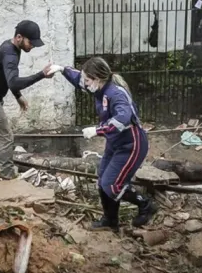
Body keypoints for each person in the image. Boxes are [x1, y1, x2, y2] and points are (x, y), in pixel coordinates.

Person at [49, 57, 157, 230]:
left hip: (131, 145)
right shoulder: (97, 87)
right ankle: (110, 221)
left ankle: (145, 205)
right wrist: (61, 69)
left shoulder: (115, 93)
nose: (84, 83)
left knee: (112, 184)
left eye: (87, 79)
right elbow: (78, 79)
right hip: (115, 143)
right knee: (102, 180)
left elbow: (123, 117)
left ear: (98, 79)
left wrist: (97, 130)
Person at [0, 20, 54, 180]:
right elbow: (13, 81)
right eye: (31, 42)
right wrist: (41, 75)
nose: (33, 46)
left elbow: (8, 78)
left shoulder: (12, 48)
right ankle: (9, 177)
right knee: (5, 138)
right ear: (19, 37)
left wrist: (18, 96)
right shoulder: (10, 53)